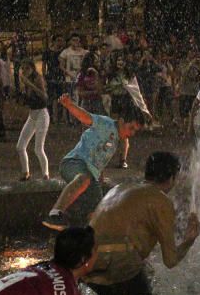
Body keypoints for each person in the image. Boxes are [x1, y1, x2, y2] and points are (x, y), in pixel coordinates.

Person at [84, 152, 200, 295]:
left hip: (85, 259)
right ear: (172, 177)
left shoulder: (119, 188)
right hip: (119, 262)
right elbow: (170, 260)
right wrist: (189, 240)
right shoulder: (161, 200)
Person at [43, 94, 147, 231]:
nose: (132, 133)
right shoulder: (106, 123)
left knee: (98, 213)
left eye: (135, 131)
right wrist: (69, 105)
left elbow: (100, 158)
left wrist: (100, 177)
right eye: (131, 127)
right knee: (83, 179)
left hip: (92, 176)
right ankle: (55, 214)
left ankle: (86, 241)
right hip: (74, 163)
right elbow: (85, 117)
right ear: (121, 121)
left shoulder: (116, 141)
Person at [16, 58, 51, 181]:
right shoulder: (24, 81)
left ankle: (45, 175)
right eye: (23, 69)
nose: (25, 71)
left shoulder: (37, 78)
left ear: (32, 68)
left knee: (38, 148)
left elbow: (44, 96)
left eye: (27, 68)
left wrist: (29, 84)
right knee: (20, 146)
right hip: (32, 115)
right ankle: (25, 172)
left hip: (42, 114)